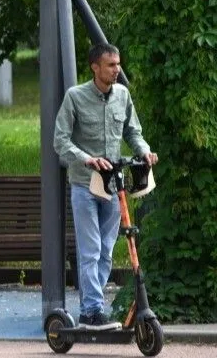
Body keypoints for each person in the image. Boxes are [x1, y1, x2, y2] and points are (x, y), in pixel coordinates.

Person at [53, 42, 158, 330]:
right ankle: (91, 310)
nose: (117, 70)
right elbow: (60, 140)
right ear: (95, 67)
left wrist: (145, 151)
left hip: (113, 186)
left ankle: (92, 307)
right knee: (91, 249)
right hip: (85, 184)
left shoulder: (122, 96)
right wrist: (86, 159)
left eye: (118, 64)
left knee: (107, 251)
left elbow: (133, 131)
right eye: (111, 65)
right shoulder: (75, 97)